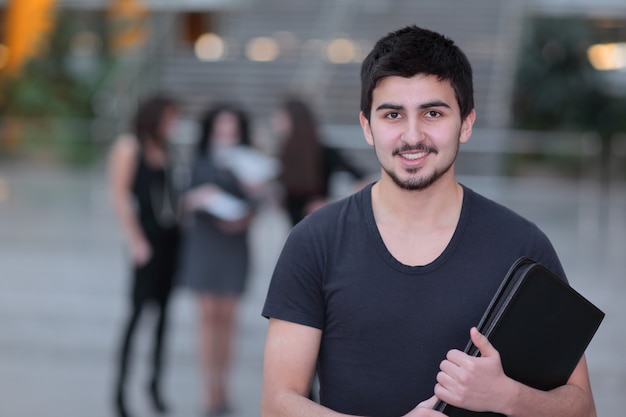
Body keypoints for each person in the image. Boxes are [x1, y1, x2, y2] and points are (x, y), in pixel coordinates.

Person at [261, 25, 598, 417]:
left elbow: (582, 408)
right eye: (392, 115)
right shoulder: (314, 242)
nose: (412, 135)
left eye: (433, 113)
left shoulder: (522, 245)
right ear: (367, 127)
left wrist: (506, 396)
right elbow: (277, 403)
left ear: (466, 123)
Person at [177, 103, 269, 417]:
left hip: (234, 245)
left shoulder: (248, 161)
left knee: (229, 321)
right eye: (221, 127)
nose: (226, 134)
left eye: (231, 128)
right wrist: (198, 198)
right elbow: (180, 201)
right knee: (206, 319)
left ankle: (224, 388)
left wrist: (252, 205)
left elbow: (262, 200)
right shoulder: (198, 159)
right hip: (204, 244)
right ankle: (209, 391)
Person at [109, 94, 180, 417]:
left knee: (165, 319)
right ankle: (120, 392)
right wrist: (136, 239)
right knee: (137, 316)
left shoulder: (166, 149)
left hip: (172, 241)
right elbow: (120, 196)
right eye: (169, 116)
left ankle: (154, 387)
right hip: (146, 242)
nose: (173, 124)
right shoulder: (130, 147)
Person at [273, 96, 368, 226]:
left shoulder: (324, 152)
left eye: (281, 118)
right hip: (291, 229)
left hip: (319, 227)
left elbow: (364, 180)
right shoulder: (282, 155)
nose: (275, 122)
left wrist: (332, 204)